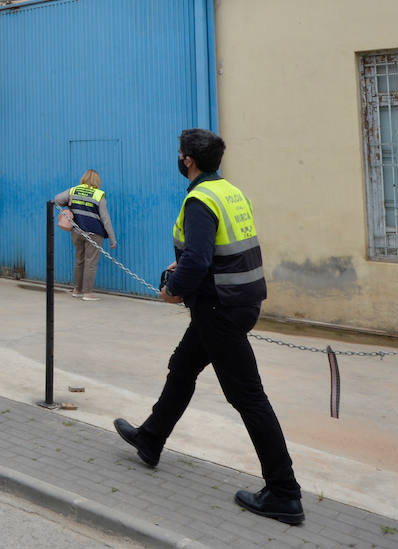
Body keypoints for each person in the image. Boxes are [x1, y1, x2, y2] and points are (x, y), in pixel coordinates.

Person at [113, 128, 304, 526]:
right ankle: (150, 439)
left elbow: (199, 260)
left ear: (188, 160)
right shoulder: (232, 192)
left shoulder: (199, 199)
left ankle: (284, 493)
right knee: (182, 366)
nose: (179, 158)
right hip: (236, 302)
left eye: (179, 153)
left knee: (249, 398)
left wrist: (174, 291)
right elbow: (218, 252)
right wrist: (184, 271)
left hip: (220, 309)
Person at [51, 169, 117, 300]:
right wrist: (112, 239)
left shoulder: (73, 191)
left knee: (79, 260)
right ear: (97, 181)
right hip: (94, 233)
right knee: (91, 262)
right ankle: (87, 293)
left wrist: (69, 207)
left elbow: (57, 199)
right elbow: (105, 218)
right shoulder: (98, 194)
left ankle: (77, 290)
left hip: (76, 231)